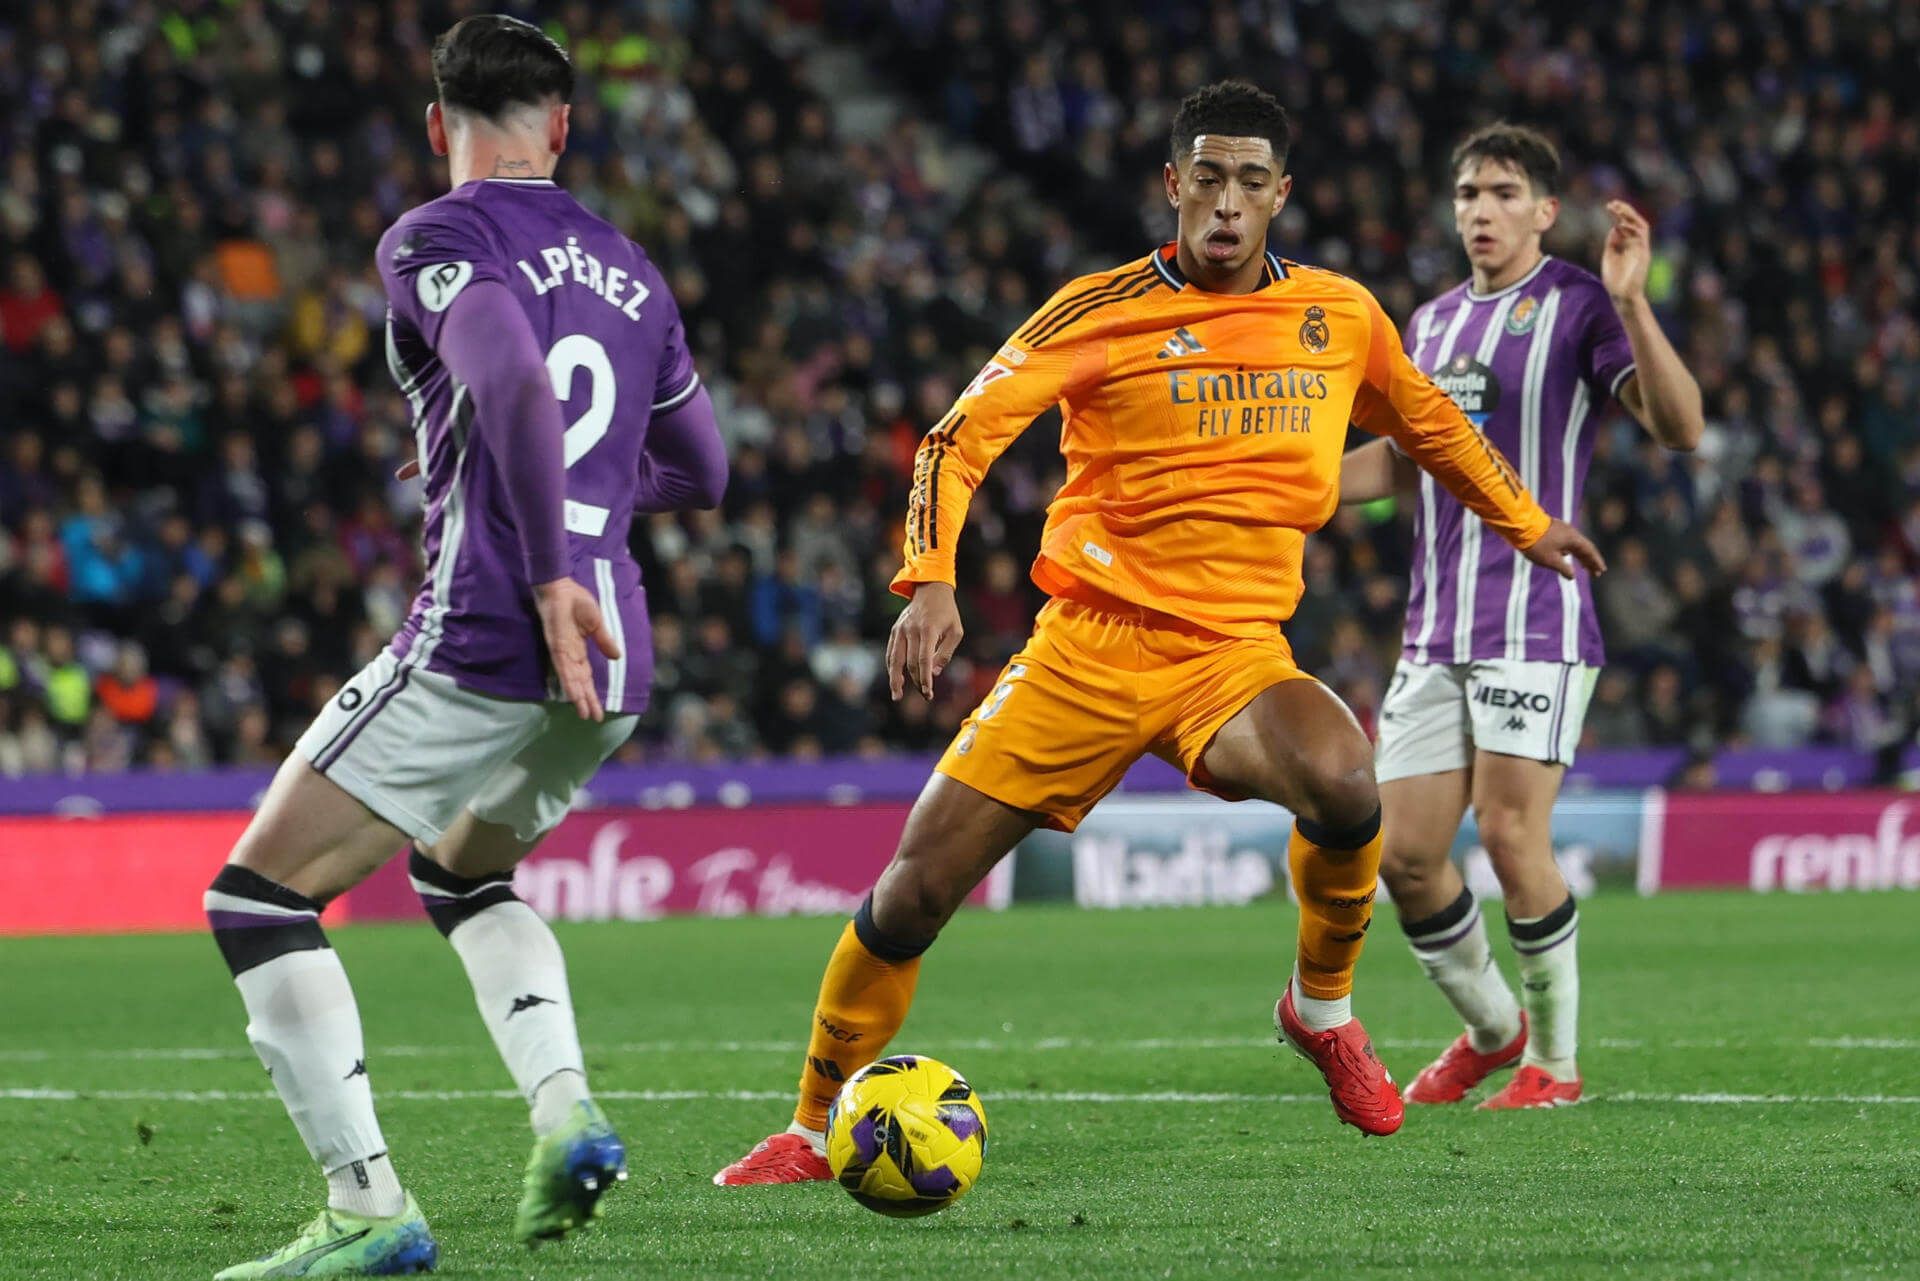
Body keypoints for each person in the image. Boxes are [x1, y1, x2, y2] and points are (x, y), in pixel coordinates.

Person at [715, 82, 1602, 1187]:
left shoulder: (1340, 317)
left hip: (1231, 655)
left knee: (1346, 783)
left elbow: (1432, 427)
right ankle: (809, 1128)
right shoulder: (1098, 308)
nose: (1227, 203)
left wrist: (1527, 525)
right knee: (912, 894)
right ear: (1173, 183)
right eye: (1209, 177)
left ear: (1283, 194)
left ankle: (1320, 1009)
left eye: (1251, 181)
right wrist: (929, 580)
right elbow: (958, 437)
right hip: (1085, 647)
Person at [202, 16, 727, 1276]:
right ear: (561, 125)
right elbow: (703, 471)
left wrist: (544, 565)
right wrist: (571, 503)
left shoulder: (438, 233)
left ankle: (367, 1209)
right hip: (617, 661)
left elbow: (512, 385)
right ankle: (566, 1112)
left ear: (439, 126)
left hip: (496, 627)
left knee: (255, 898)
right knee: (461, 875)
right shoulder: (631, 267)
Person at [1339, 124, 1702, 1110]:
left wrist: (1633, 300)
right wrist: (1276, 486)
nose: (1479, 212)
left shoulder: (1579, 306)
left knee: (1508, 833)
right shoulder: (1426, 324)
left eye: (1501, 193)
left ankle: (1557, 1061)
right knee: (1404, 857)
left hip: (1537, 621)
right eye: (1466, 195)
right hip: (1433, 630)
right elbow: (1395, 466)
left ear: (1545, 212)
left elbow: (1681, 427)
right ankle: (1493, 1032)